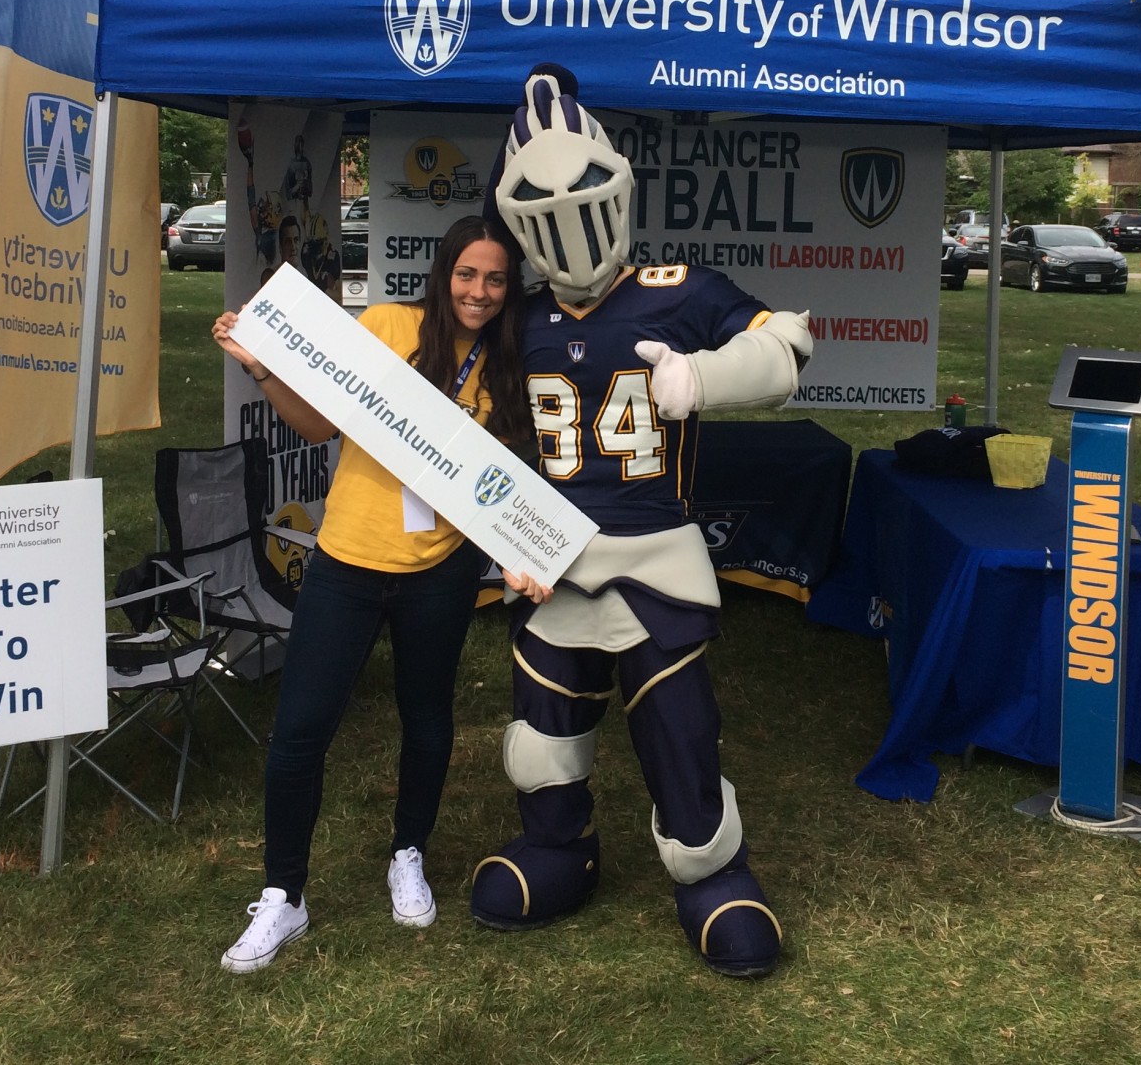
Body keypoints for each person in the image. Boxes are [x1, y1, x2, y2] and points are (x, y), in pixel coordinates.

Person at [469, 71, 813, 979]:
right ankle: (557, 848)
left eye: (579, 192)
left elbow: (788, 347)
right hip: (549, 562)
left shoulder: (680, 290)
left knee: (678, 733)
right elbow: (486, 434)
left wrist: (703, 379)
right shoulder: (518, 312)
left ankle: (712, 870)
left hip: (656, 557)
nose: (562, 212)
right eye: (538, 199)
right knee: (542, 734)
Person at [213, 213, 533, 974]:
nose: (479, 292)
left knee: (426, 720)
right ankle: (284, 894)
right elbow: (320, 425)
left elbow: (509, 483)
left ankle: (408, 853)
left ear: (509, 286)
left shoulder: (510, 364)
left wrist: (524, 550)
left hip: (440, 572)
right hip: (347, 564)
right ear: (443, 271)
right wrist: (260, 368)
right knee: (300, 734)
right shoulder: (388, 325)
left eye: (494, 278)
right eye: (466, 274)